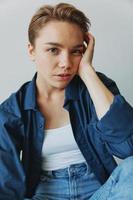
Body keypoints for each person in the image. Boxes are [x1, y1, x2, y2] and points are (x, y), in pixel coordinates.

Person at [0, 2, 133, 200]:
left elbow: (127, 147)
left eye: (76, 51)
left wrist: (87, 72)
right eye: (53, 50)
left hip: (100, 194)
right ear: (31, 51)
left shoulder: (97, 87)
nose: (66, 64)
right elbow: (6, 186)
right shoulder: (12, 111)